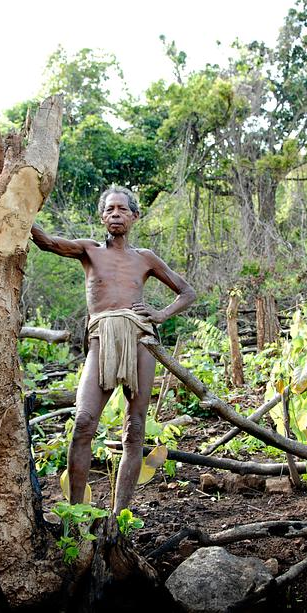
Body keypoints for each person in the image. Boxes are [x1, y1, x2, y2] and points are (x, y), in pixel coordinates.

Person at [30, 186, 196, 512]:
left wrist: (160, 315)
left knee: (135, 428)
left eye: (122, 209)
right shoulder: (89, 251)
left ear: (134, 216)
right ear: (102, 216)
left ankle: (118, 516)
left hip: (140, 339)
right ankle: (76, 515)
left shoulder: (145, 258)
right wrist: (21, 206)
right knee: (83, 422)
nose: (115, 214)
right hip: (101, 338)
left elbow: (186, 292)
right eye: (109, 209)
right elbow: (47, 242)